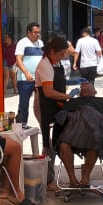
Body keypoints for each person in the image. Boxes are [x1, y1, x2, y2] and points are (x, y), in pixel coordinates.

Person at [53, 81, 103, 188]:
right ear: (79, 93)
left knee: (96, 141)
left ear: (95, 91)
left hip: (94, 134)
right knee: (63, 145)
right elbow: (60, 121)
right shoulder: (72, 102)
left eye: (88, 83)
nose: (85, 83)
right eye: (82, 85)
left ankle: (86, 176)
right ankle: (72, 179)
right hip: (72, 135)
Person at [35, 36, 71, 191]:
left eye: (64, 54)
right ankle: (48, 180)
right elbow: (48, 92)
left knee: (58, 140)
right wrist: (67, 96)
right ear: (52, 51)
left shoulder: (56, 63)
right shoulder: (45, 65)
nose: (62, 57)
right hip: (45, 106)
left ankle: (51, 177)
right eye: (60, 54)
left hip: (58, 104)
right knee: (48, 144)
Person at [13, 22, 44, 125]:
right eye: (35, 32)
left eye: (39, 32)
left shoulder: (41, 43)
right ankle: (22, 125)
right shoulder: (23, 43)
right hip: (25, 79)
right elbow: (18, 60)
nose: (38, 34)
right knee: (24, 104)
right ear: (29, 32)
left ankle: (43, 125)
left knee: (41, 104)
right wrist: (26, 73)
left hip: (39, 79)